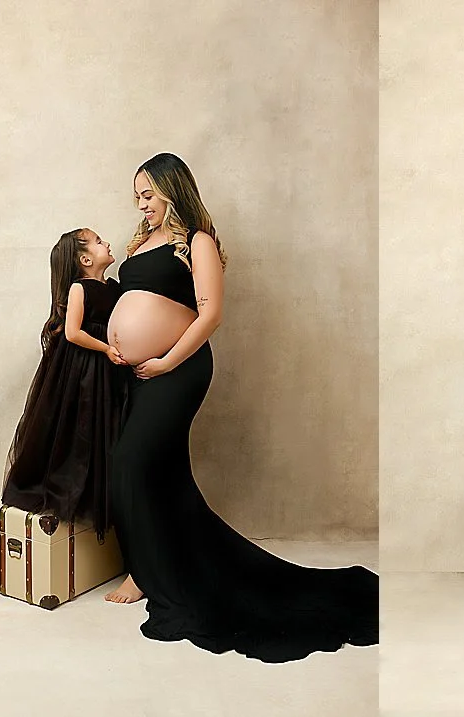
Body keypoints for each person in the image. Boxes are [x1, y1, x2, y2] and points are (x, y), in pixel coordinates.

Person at [104, 152, 377, 662]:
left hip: (178, 370)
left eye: (148, 196)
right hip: (139, 372)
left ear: (172, 190)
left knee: (132, 461)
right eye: (137, 197)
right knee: (161, 470)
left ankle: (145, 571)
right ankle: (152, 559)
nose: (140, 205)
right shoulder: (141, 242)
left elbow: (210, 314)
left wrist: (164, 361)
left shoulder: (197, 241)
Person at [0, 228, 128, 532]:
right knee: (77, 427)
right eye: (98, 242)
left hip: (108, 368)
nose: (107, 242)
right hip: (82, 368)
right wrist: (107, 348)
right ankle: (69, 499)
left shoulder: (114, 287)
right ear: (85, 258)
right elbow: (73, 332)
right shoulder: (79, 289)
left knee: (105, 428)